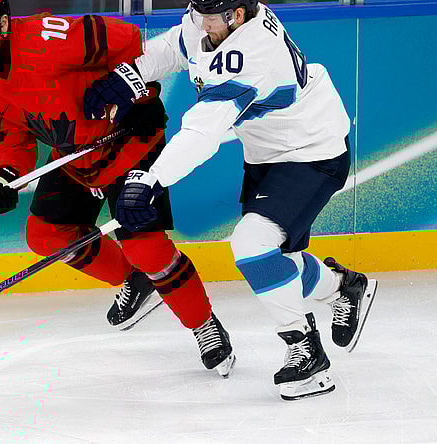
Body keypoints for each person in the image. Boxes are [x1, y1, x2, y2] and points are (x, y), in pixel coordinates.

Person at [84, 0, 378, 400]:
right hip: (267, 153)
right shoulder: (218, 18)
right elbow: (179, 45)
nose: (200, 21)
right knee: (277, 261)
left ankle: (307, 355)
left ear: (237, 16)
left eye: (209, 15)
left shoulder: (250, 52)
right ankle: (342, 287)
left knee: (252, 245)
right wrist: (132, 74)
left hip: (311, 150)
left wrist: (151, 179)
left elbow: (204, 131)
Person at [0, 0, 236, 377]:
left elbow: (126, 37)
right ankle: (135, 280)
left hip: (129, 144)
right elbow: (10, 142)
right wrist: (0, 177)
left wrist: (138, 93)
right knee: (45, 235)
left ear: (2, 23)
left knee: (145, 247)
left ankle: (203, 324)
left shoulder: (44, 37)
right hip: (76, 157)